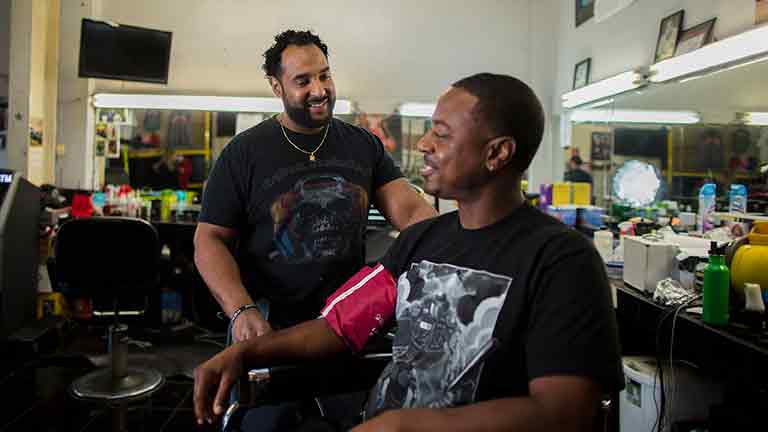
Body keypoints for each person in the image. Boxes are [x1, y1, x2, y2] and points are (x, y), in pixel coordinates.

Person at [194, 73, 623, 431]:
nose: (423, 146)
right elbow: (340, 327)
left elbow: (565, 411)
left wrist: (406, 426)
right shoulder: (423, 240)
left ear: (497, 153)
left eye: (441, 134)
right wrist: (247, 350)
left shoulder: (560, 260)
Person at [194, 29, 436, 342]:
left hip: (346, 315)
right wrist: (241, 310)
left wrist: (456, 243)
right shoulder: (243, 154)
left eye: (325, 76)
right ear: (276, 86)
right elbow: (209, 239)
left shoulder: (362, 145)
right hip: (269, 320)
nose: (319, 90)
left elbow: (412, 210)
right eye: (303, 80)